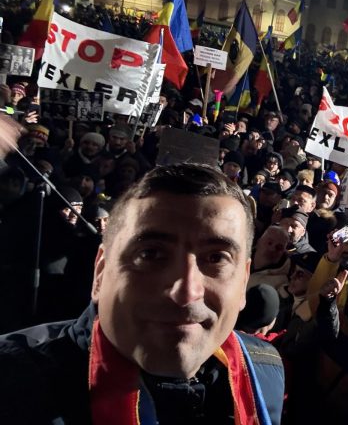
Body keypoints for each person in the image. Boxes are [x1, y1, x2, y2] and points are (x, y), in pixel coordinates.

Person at [0, 164, 285, 424]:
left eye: (216, 259)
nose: (186, 291)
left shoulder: (264, 370)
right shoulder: (12, 383)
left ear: (244, 280)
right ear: (100, 271)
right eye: (151, 254)